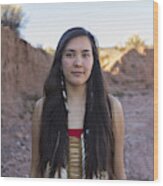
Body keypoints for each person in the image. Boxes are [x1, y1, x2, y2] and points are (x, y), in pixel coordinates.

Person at [31, 27, 126, 179]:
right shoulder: (42, 108)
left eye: (85, 55)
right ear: (60, 61)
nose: (78, 63)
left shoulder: (112, 108)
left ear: (94, 61)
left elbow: (119, 173)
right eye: (70, 55)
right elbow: (35, 171)